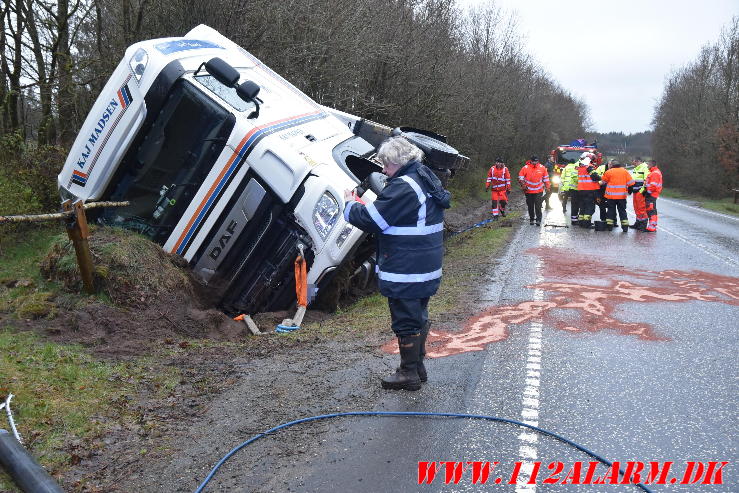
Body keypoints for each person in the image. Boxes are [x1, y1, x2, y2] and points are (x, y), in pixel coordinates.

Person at [343, 136, 450, 391]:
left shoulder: (403, 186)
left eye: (386, 165)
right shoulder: (423, 175)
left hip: (407, 267)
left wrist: (349, 205)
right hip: (424, 265)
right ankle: (418, 367)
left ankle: (408, 373)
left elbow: (373, 220)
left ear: (398, 162)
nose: (382, 170)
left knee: (405, 319)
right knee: (418, 314)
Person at [599, 161, 635, 232]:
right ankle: (625, 227)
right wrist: (629, 192)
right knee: (622, 211)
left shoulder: (609, 172)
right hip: (622, 197)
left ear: (612, 165)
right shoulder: (625, 171)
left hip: (611, 197)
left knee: (610, 211)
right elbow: (631, 183)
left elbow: (603, 182)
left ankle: (609, 227)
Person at [518, 155, 550, 226]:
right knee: (530, 206)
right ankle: (532, 219)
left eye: (536, 161)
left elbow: (546, 178)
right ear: (531, 161)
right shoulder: (525, 168)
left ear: (538, 161)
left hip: (539, 191)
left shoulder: (542, 168)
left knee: (538, 206)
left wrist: (547, 187)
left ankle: (538, 219)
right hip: (528, 191)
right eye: (533, 161)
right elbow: (520, 177)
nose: (535, 162)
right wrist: (523, 185)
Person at [576, 153, 601, 228]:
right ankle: (587, 223)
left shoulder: (580, 167)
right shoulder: (589, 167)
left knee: (582, 207)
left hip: (581, 190)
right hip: (589, 190)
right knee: (589, 207)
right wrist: (602, 178)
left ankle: (581, 222)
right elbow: (595, 177)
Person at [629, 157, 650, 230]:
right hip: (636, 191)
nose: (633, 164)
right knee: (636, 207)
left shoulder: (645, 168)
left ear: (639, 161)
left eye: (634, 162)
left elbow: (647, 180)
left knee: (641, 208)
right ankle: (638, 222)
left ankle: (643, 224)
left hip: (640, 191)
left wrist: (642, 191)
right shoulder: (637, 168)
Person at [642, 160, 663, 232]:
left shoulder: (654, 173)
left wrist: (648, 192)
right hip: (651, 194)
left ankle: (652, 227)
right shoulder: (654, 172)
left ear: (651, 165)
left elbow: (653, 185)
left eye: (648, 164)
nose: (647, 166)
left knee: (651, 210)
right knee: (650, 210)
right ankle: (651, 226)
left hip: (651, 195)